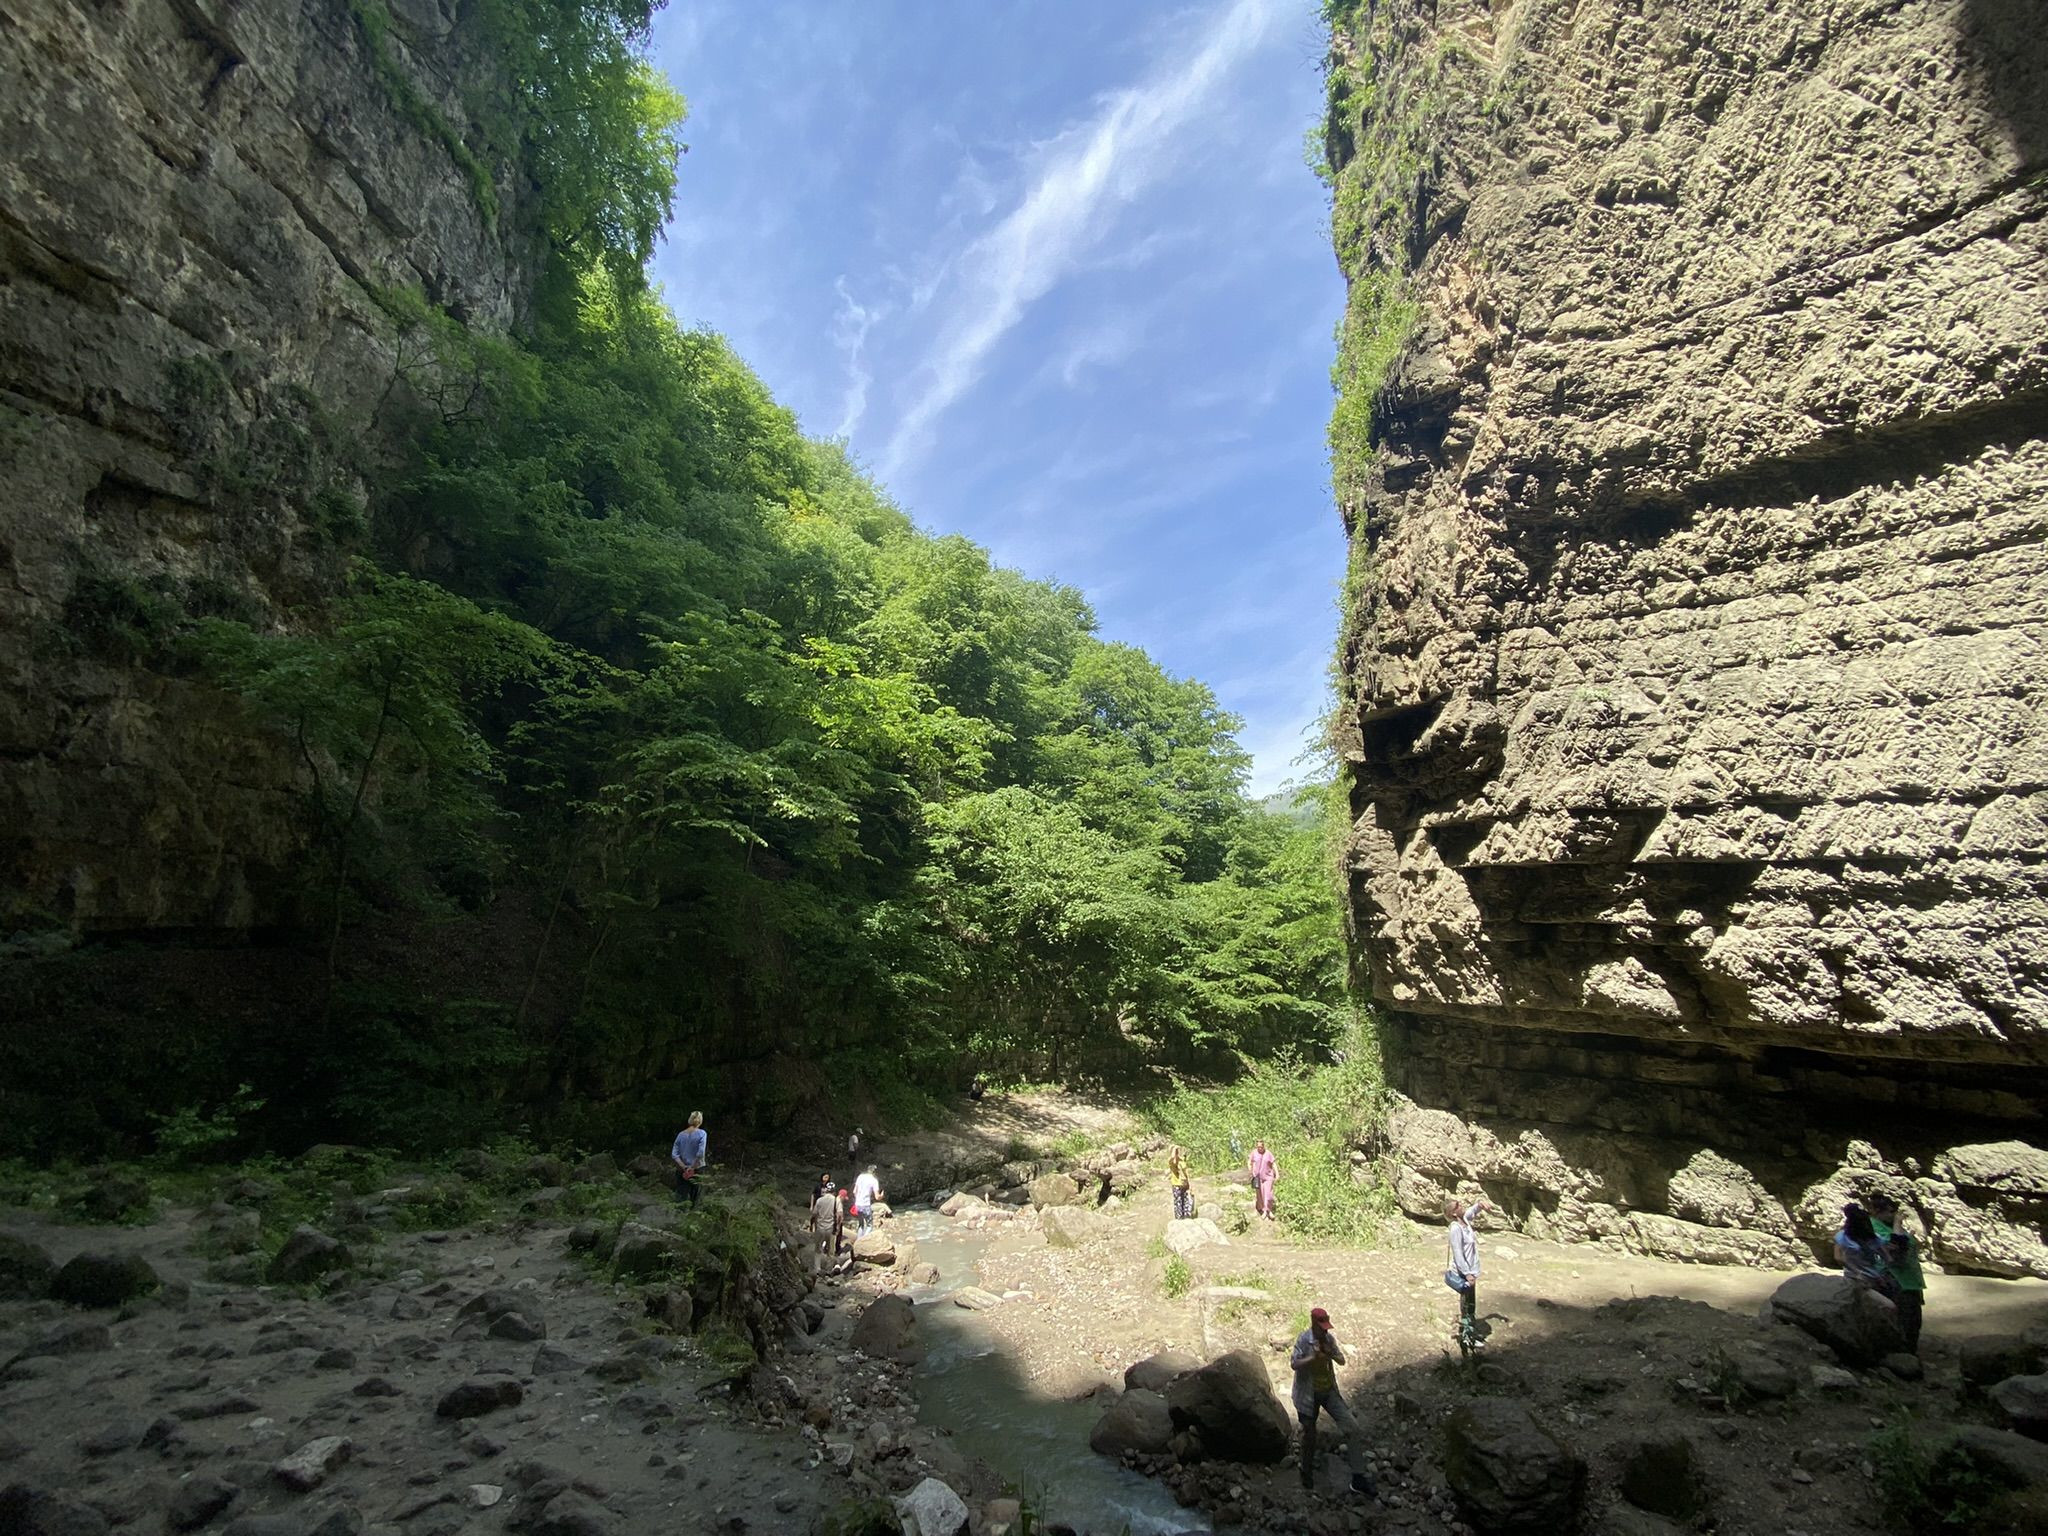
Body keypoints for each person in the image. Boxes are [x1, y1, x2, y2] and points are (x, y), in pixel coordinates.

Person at [1290, 1307, 1375, 1497]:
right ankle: (1306, 1470)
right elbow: (1294, 1364)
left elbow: (1342, 1360)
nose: (1325, 1331)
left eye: (1327, 1328)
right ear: (1313, 1324)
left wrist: (1330, 1353)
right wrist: (1311, 1358)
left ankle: (1358, 1478)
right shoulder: (1304, 1340)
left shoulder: (1329, 1340)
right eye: (1322, 1328)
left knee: (1352, 1428)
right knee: (1310, 1434)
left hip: (1328, 1391)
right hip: (1307, 1395)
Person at [1866, 1194, 1924, 1351]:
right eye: (1891, 1211)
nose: (1895, 1215)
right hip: (1895, 1279)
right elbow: (1896, 1246)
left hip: (1910, 1280)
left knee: (1914, 1322)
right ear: (1878, 1211)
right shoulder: (1874, 1226)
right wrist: (1898, 1224)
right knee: (1904, 1321)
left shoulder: (1889, 1224)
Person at [1444, 1196, 1491, 1352]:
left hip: (1471, 1271)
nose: (1461, 1205)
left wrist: (1479, 1205)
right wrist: (1468, 1274)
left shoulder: (1464, 1220)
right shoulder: (1456, 1228)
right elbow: (1458, 1253)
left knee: (1470, 1304)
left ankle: (1469, 1334)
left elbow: (1471, 1212)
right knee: (1467, 1305)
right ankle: (1466, 1338)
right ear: (1453, 1213)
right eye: (1458, 1205)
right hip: (1465, 1273)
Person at [1835, 1203, 1901, 1300]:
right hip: (1870, 1279)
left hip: (1853, 1278)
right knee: (1888, 1307)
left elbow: (1839, 1258)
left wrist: (1857, 1272)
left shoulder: (1842, 1236)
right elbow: (1888, 1259)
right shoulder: (1873, 1239)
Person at [670, 1111, 707, 1208]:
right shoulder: (702, 1134)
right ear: (700, 1121)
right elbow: (700, 1153)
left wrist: (684, 1167)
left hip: (682, 1170)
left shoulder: (681, 1135)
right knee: (696, 1198)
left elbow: (674, 1154)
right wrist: (692, 1167)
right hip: (697, 1169)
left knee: (680, 1197)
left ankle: (678, 1218)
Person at [808, 1180, 840, 1275]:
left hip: (820, 1227)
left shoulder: (819, 1200)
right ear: (834, 1191)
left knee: (818, 1250)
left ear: (826, 1190)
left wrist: (811, 1225)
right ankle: (828, 1270)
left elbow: (814, 1214)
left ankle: (817, 1269)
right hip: (831, 1228)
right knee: (830, 1251)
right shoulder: (836, 1200)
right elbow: (839, 1214)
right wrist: (837, 1226)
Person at [1250, 1139, 1279, 1221]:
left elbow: (1273, 1163)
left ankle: (1269, 1210)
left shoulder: (1268, 1153)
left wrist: (1277, 1173)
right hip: (1257, 1177)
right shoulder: (1254, 1153)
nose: (1260, 1149)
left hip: (1268, 1176)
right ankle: (1263, 1210)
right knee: (1260, 1194)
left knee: (1268, 1194)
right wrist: (1251, 1169)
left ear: (1263, 1146)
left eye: (1261, 1147)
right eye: (1258, 1147)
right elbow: (1250, 1161)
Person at [852, 1164, 883, 1236]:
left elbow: (854, 1192)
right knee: (869, 1225)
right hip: (866, 1205)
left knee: (861, 1225)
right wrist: (881, 1195)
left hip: (858, 1204)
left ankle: (858, 1241)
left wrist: (858, 1200)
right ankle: (864, 1241)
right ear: (875, 1172)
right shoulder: (874, 1180)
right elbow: (877, 1197)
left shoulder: (860, 1177)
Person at [1168, 1145, 1193, 1221]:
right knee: (1178, 1204)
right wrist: (1174, 1149)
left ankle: (1186, 1219)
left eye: (1177, 1151)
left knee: (1186, 1203)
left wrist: (1190, 1184)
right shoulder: (1171, 1161)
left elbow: (1186, 1173)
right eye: (1175, 1151)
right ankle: (1179, 1220)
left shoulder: (1182, 1161)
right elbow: (1173, 1159)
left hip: (1185, 1184)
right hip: (1177, 1184)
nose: (1177, 1152)